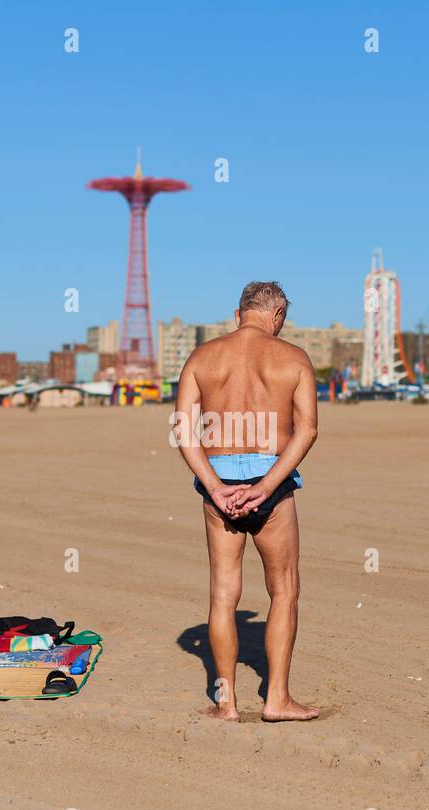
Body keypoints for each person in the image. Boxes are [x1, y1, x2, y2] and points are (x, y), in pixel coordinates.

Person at [174, 281, 319, 722]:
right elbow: (307, 430)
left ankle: (227, 703)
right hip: (270, 488)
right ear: (276, 316)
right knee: (284, 591)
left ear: (238, 315)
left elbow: (184, 432)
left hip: (218, 485)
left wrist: (216, 488)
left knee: (223, 596)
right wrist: (266, 486)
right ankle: (276, 700)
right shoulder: (293, 358)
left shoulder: (202, 358)